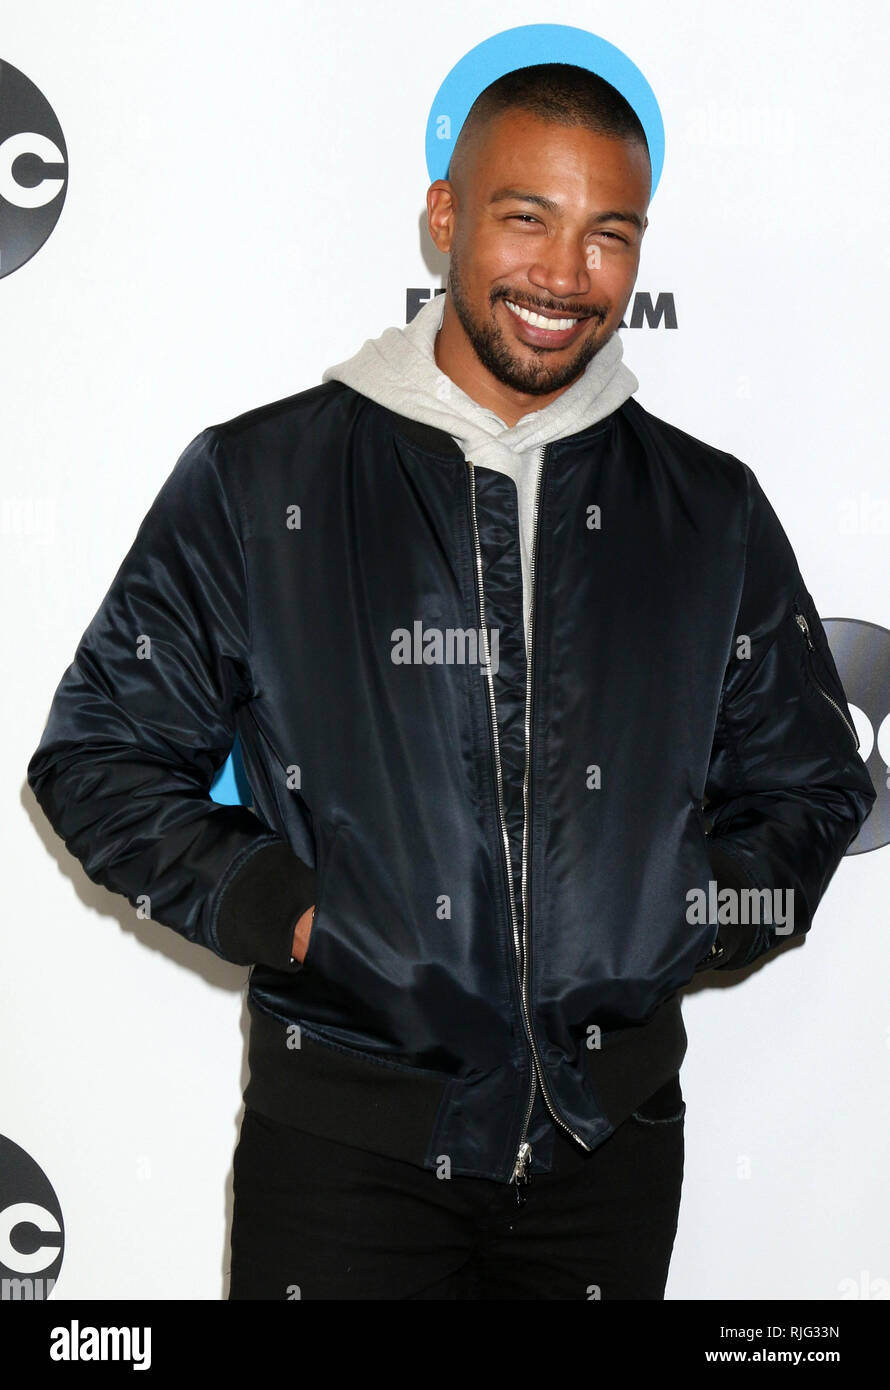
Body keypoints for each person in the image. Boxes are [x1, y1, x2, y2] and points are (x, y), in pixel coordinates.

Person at [26, 63, 876, 1301]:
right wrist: (290, 910)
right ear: (444, 218)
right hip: (346, 1152)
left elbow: (809, 782)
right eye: (525, 217)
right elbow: (97, 756)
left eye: (607, 236)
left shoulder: (706, 510)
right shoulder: (262, 481)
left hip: (610, 1150)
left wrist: (689, 909)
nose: (562, 275)